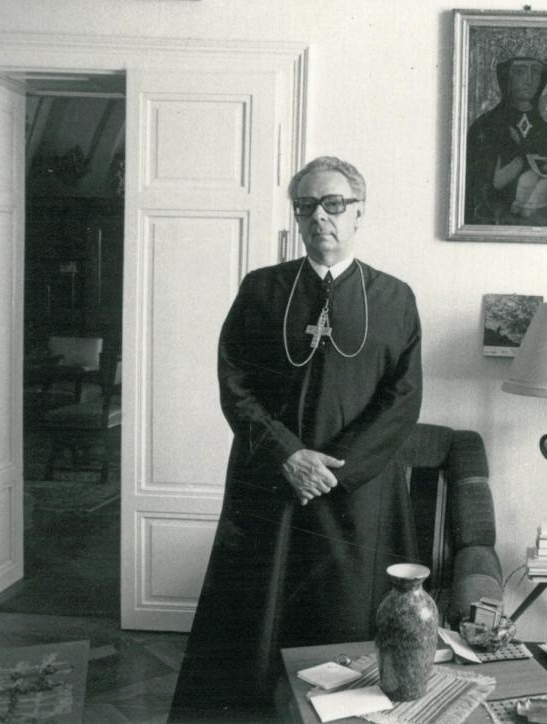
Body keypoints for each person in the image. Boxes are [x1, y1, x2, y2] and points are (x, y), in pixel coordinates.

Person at [169, 157, 423, 722]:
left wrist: (333, 468)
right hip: (272, 483)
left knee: (344, 627)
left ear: (359, 213)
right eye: (306, 206)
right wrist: (289, 454)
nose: (319, 217)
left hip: (355, 495)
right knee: (256, 627)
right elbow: (234, 383)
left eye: (333, 205)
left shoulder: (395, 298)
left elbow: (402, 401)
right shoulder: (262, 289)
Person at [464, 56, 547, 224]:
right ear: (506, 77)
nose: (529, 80)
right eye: (519, 71)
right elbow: (477, 185)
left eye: (535, 72)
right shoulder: (487, 125)